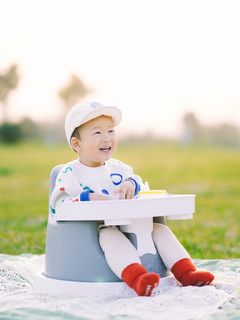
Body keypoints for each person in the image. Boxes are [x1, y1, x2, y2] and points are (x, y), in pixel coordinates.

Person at [50, 101, 214, 297]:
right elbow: (58, 206)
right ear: (77, 144)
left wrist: (131, 184)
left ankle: (187, 273)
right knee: (109, 235)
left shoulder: (120, 168)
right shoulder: (70, 173)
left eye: (111, 131)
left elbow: (140, 187)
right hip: (95, 231)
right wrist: (86, 198)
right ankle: (137, 279)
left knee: (159, 229)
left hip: (129, 224)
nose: (107, 138)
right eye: (97, 133)